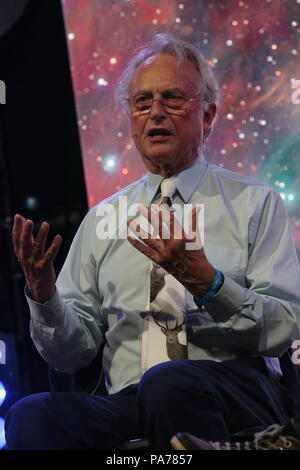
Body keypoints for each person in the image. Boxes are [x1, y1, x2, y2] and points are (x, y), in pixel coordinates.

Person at [5, 33, 300, 450]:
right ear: (131, 120)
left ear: (208, 115)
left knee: (168, 383)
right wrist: (45, 297)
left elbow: (284, 326)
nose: (155, 113)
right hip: (132, 399)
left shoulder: (254, 203)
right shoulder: (101, 221)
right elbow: (71, 355)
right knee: (31, 416)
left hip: (234, 391)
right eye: (142, 103)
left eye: (173, 99)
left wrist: (209, 285)